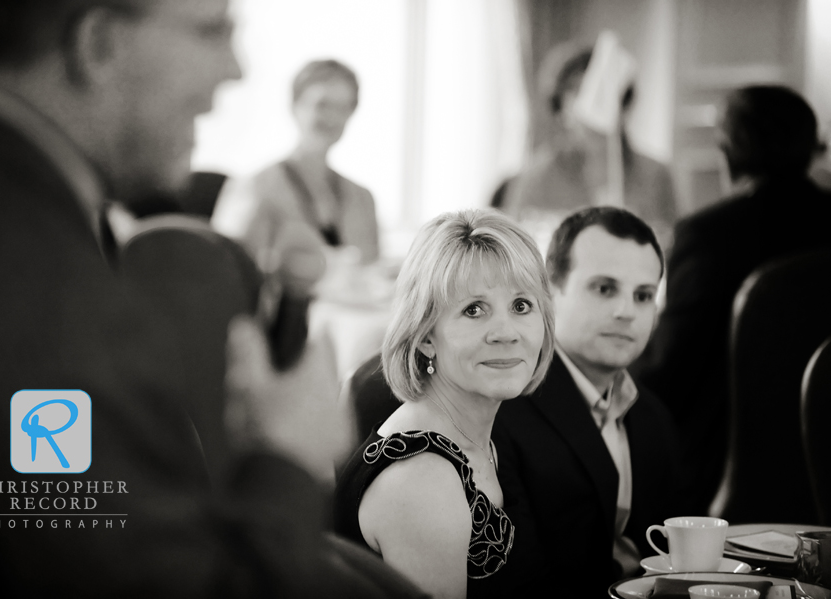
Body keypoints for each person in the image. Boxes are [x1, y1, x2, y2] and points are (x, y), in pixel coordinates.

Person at [0, 1, 421, 596]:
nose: (236, 68)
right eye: (212, 31)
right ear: (99, 43)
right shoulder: (33, 284)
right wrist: (287, 458)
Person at [334, 209, 556, 598]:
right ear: (425, 337)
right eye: (474, 310)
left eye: (522, 306)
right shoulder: (422, 479)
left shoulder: (475, 435)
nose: (506, 333)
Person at [633, 85, 831, 514]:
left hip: (724, 487)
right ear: (813, 150)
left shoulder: (709, 236)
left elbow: (669, 374)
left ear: (726, 153)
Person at [492, 207, 681, 598]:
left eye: (643, 296)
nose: (626, 312)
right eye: (604, 288)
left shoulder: (652, 417)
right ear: (549, 290)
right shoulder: (504, 406)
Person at [212, 58, 379, 271]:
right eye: (322, 104)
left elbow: (373, 273)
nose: (332, 118)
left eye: (343, 107)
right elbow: (224, 270)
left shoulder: (363, 199)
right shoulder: (255, 187)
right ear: (294, 106)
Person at [498, 43, 677, 241]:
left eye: (600, 93)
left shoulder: (655, 176)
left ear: (623, 103)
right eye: (577, 92)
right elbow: (516, 255)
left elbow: (672, 249)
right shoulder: (535, 179)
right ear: (560, 107)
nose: (589, 106)